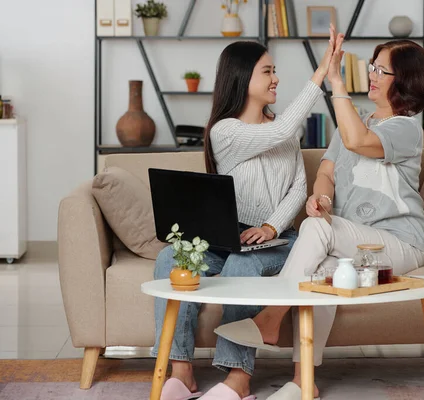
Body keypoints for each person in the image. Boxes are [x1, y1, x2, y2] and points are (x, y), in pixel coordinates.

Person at [215, 31, 424, 400]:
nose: (372, 74)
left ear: (404, 82)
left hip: (400, 242)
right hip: (356, 241)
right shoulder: (354, 118)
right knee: (319, 274)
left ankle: (269, 319)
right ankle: (304, 380)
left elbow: (357, 141)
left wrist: (335, 78)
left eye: (381, 71)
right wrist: (321, 199)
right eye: (373, 67)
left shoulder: (406, 128)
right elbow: (327, 173)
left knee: (317, 231)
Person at [152, 29, 338, 400]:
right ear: (242, 79)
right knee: (169, 257)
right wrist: (322, 71)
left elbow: (297, 190)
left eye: (275, 70)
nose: (276, 79)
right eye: (267, 71)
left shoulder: (285, 132)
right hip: (228, 237)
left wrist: (271, 226)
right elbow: (283, 128)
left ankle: (238, 377)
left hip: (279, 239)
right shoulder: (225, 131)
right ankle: (181, 370)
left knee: (244, 267)